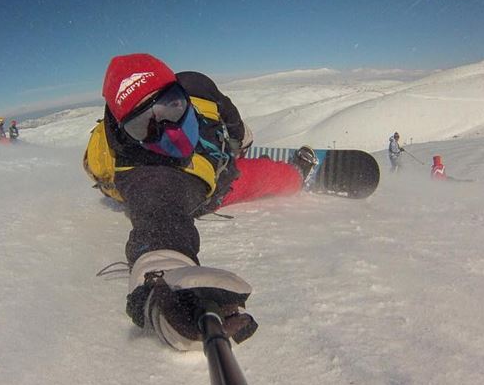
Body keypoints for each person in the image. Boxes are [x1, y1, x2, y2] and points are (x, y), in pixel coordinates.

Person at [84, 53, 318, 351]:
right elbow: (160, 220)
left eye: (171, 106)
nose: (166, 129)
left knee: (234, 163)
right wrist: (165, 287)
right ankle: (297, 174)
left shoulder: (198, 86)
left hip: (211, 153)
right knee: (259, 177)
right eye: (143, 125)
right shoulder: (146, 175)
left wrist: (234, 141)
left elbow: (237, 129)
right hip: (199, 185)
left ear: (181, 91)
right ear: (126, 134)